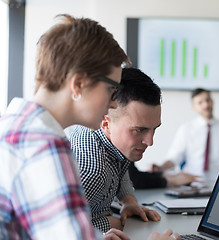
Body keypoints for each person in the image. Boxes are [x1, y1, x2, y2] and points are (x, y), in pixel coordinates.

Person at [0, 14, 179, 240]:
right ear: (78, 84)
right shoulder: (46, 149)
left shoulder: (16, 125)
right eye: (111, 89)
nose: (114, 103)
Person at [68, 68, 184, 234]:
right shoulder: (93, 171)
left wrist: (129, 201)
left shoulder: (117, 143)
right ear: (106, 123)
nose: (150, 142)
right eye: (139, 130)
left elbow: (121, 169)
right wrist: (116, 224)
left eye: (154, 129)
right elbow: (67, 230)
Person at [153, 88, 219, 180]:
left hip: (218, 181)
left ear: (212, 101)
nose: (206, 104)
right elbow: (174, 158)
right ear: (194, 107)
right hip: (191, 181)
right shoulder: (186, 129)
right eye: (200, 102)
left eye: (207, 100)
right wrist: (160, 168)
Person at [128, 161, 198, 189]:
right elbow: (134, 178)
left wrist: (162, 174)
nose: (150, 142)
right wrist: (170, 180)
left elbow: (134, 176)